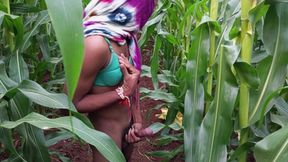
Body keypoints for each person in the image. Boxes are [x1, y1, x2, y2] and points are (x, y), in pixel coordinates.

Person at [72, 0, 155, 161]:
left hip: (128, 128)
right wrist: (122, 92)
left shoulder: (125, 35)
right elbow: (70, 104)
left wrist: (136, 120)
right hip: (107, 137)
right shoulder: (96, 45)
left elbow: (132, 79)